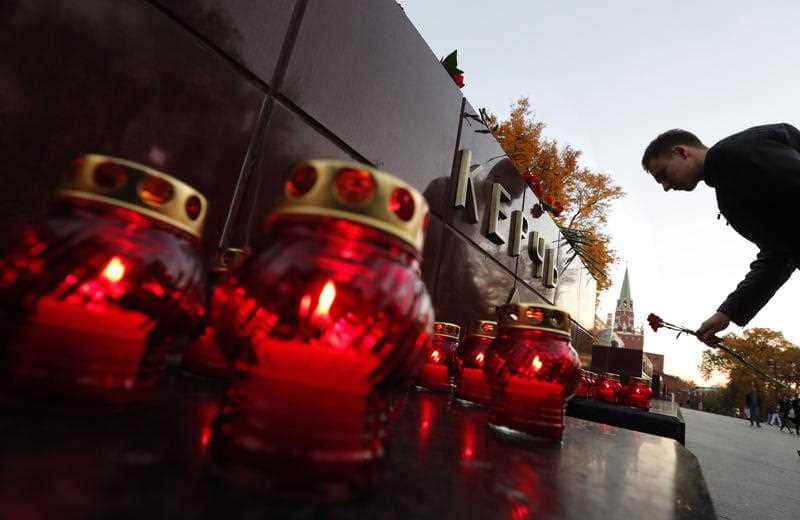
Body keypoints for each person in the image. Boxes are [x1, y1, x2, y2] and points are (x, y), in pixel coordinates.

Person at [641, 124, 800, 342]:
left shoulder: (741, 153)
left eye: (663, 175)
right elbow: (778, 254)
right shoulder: (728, 192)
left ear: (681, 152)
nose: (666, 187)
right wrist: (728, 312)